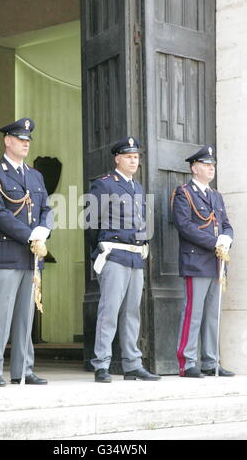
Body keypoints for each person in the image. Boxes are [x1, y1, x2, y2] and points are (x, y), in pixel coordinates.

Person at [0, 118, 52, 387]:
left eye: (28, 140)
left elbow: (47, 208)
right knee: (0, 314)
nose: (25, 144)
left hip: (30, 256)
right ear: (7, 141)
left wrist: (45, 228)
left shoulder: (35, 175)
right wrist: (28, 233)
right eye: (20, 139)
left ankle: (24, 369)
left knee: (26, 315)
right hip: (5, 253)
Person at [88, 136, 160, 383]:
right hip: (114, 254)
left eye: (136, 156)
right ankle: (102, 364)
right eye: (128, 156)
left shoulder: (137, 188)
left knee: (132, 313)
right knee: (109, 310)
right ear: (117, 159)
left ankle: (132, 364)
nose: (133, 160)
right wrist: (99, 250)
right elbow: (91, 224)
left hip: (134, 256)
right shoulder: (104, 185)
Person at [172, 145, 234, 378]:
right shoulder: (184, 193)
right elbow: (185, 226)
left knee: (212, 314)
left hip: (217, 262)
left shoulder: (215, 195)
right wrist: (214, 242)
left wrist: (227, 238)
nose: (211, 169)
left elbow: (226, 223)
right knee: (194, 313)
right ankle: (187, 362)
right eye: (207, 165)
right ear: (194, 168)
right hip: (196, 261)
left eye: (212, 165)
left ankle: (210, 361)